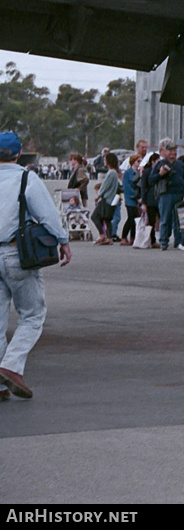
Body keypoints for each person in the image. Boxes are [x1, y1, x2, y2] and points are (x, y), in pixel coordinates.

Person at [0, 130, 72, 400]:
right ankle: (10, 367)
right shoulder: (26, 178)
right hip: (16, 254)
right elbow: (48, 215)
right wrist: (63, 241)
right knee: (32, 315)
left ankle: (0, 385)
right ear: (19, 154)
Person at [146, 140, 184, 250]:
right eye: (170, 151)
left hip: (179, 194)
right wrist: (160, 174)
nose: (173, 153)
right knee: (165, 219)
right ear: (165, 152)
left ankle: (179, 241)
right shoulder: (160, 164)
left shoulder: (180, 164)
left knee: (179, 220)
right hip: (166, 194)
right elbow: (150, 180)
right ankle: (163, 241)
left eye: (174, 151)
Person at [92, 150, 121, 245]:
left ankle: (102, 234)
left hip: (105, 199)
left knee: (95, 216)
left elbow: (105, 186)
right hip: (111, 199)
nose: (104, 161)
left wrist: (98, 195)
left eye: (105, 159)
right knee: (107, 218)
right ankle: (109, 237)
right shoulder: (115, 173)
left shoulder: (111, 173)